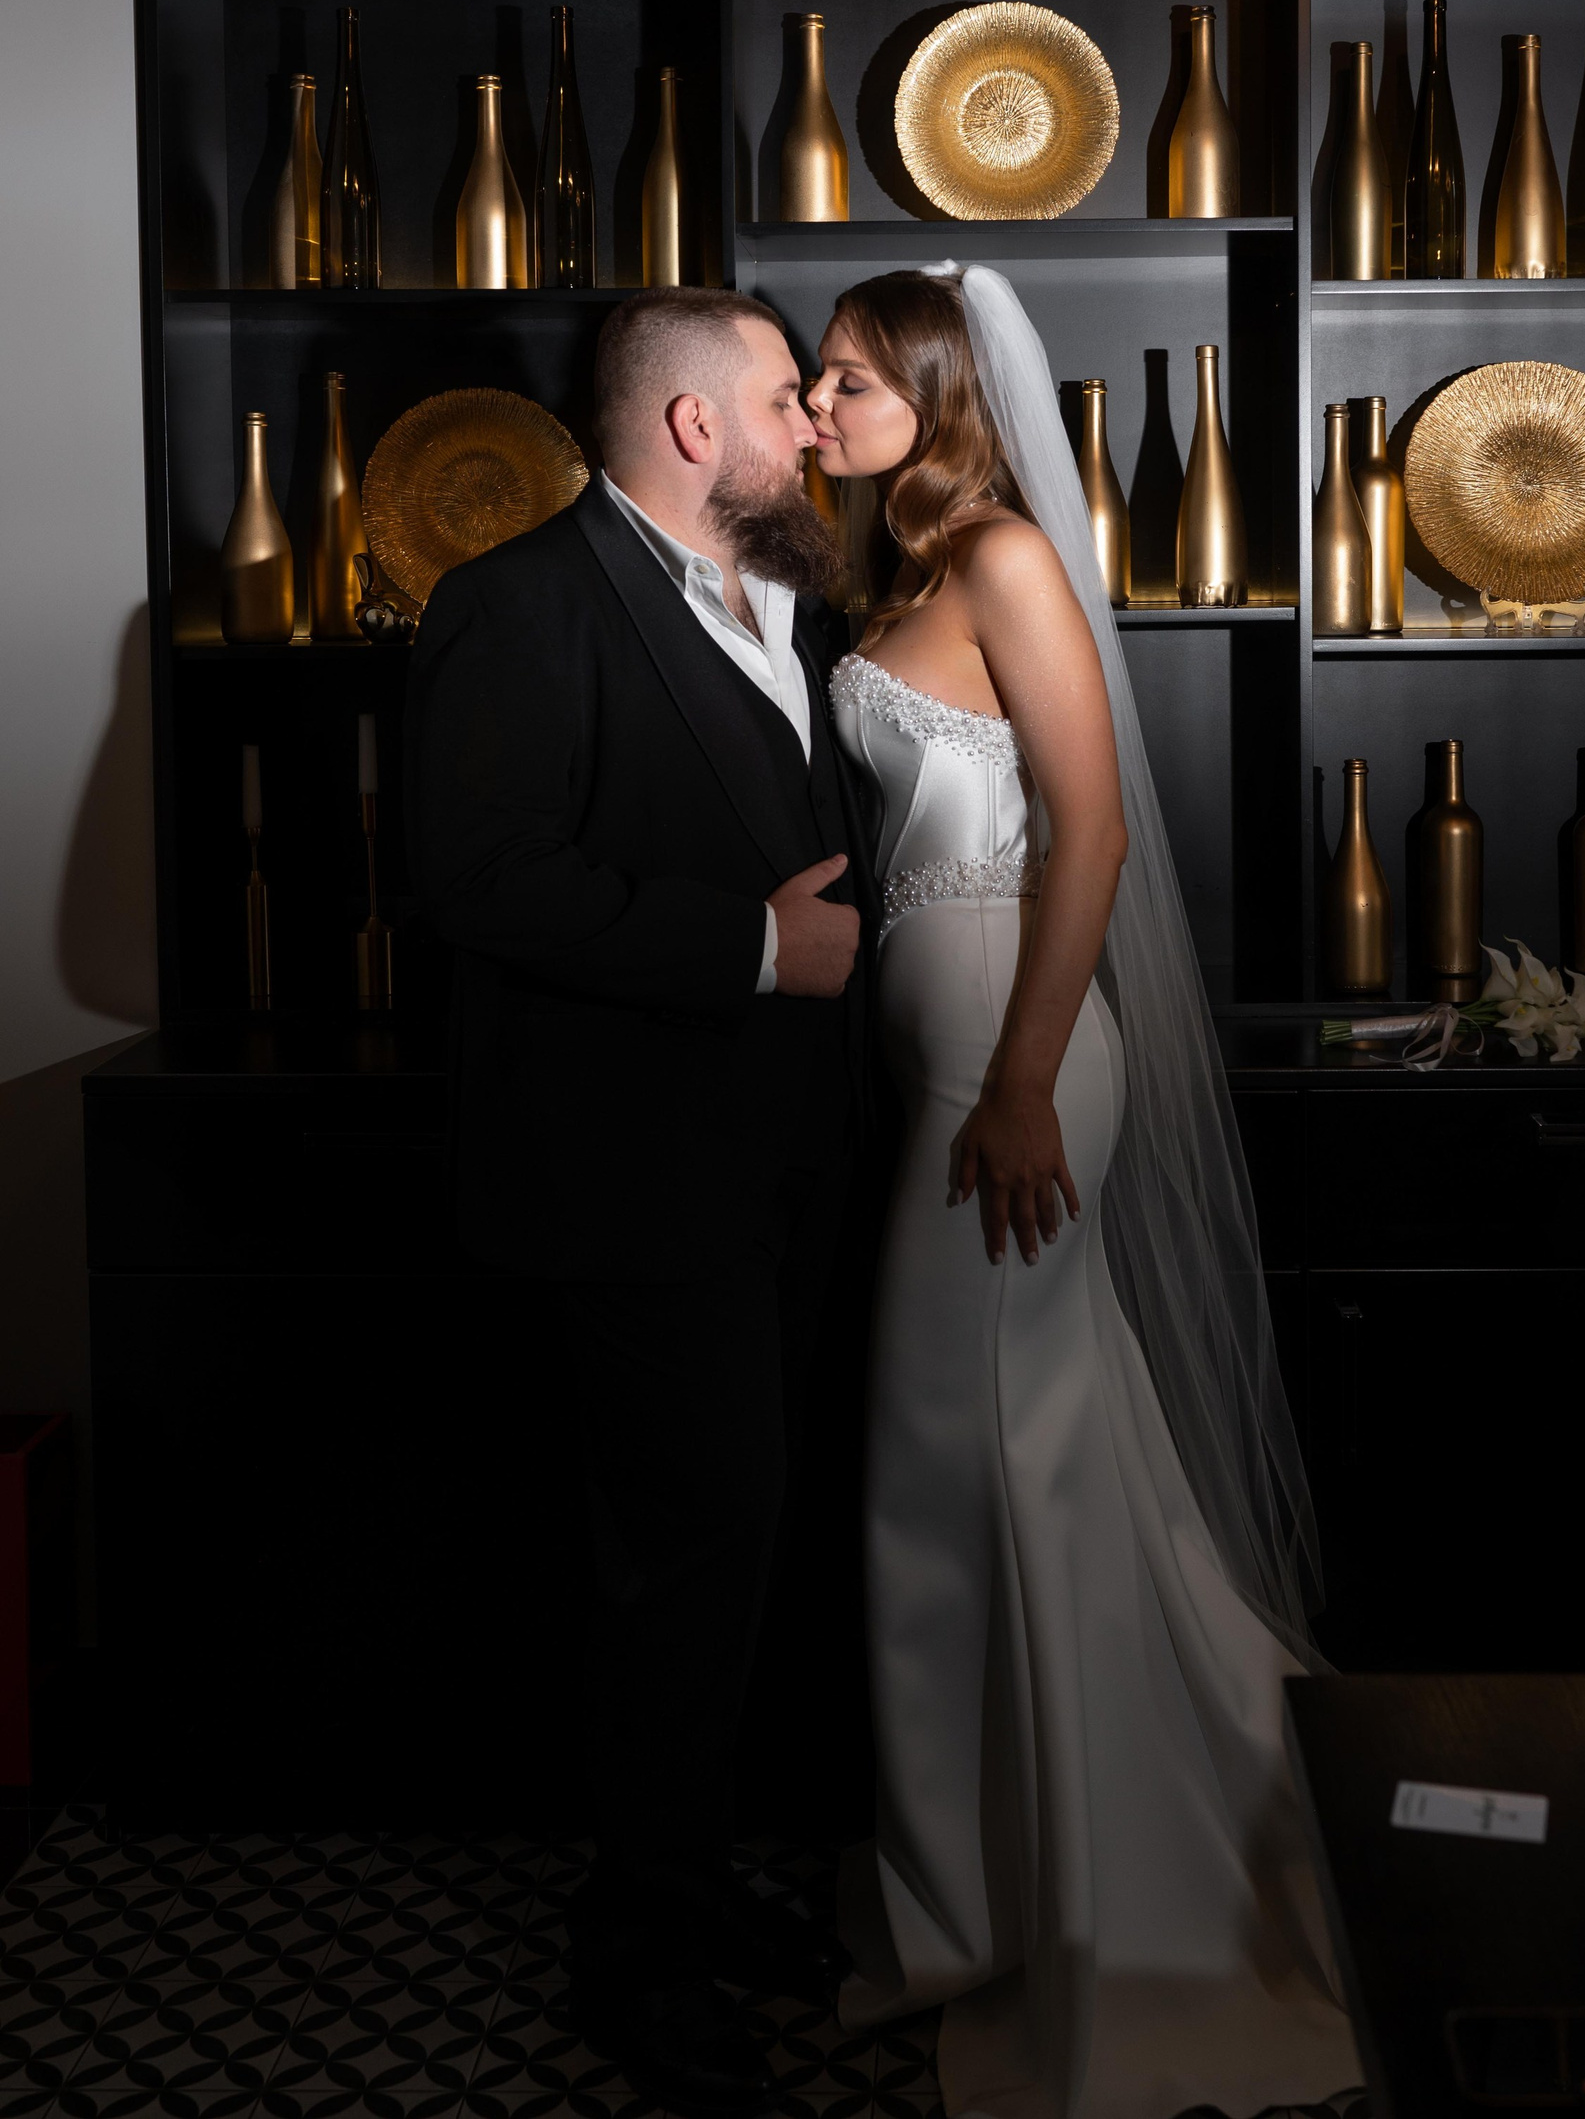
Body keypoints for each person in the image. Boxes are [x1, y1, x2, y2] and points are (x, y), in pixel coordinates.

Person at [808, 266, 1362, 2119]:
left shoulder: (1003, 555)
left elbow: (1094, 826)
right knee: (1000, 1468)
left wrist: (1028, 1079)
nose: (821, 405)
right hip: (949, 1056)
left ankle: (1067, 1912)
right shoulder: (897, 572)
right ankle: (995, 1888)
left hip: (1010, 1064)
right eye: (818, 379)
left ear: (939, 389)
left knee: (975, 1474)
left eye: (851, 380)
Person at [407, 288, 867, 2116]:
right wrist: (749, 945)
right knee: (678, 1563)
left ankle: (690, 1881)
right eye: (785, 395)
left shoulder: (792, 598)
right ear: (692, 426)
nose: (813, 423)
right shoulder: (516, 601)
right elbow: (475, 875)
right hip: (633, 1183)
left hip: (788, 1170)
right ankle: (641, 1952)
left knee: (742, 1551)